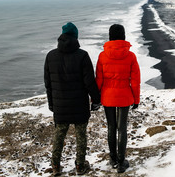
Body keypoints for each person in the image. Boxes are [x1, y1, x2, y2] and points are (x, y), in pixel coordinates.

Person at [44, 22, 101, 176]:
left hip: (60, 106)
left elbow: (48, 84)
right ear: (76, 37)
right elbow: (90, 82)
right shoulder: (82, 55)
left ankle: (55, 166)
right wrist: (96, 100)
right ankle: (80, 166)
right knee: (81, 136)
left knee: (59, 135)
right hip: (79, 105)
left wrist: (52, 105)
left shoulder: (50, 56)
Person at [95, 24, 141, 173]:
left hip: (107, 96)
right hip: (124, 96)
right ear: (123, 36)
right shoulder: (131, 56)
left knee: (111, 127)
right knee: (122, 129)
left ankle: (113, 159)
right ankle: (121, 162)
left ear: (110, 36)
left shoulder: (102, 56)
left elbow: (99, 80)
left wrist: (96, 98)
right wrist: (136, 99)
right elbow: (135, 80)